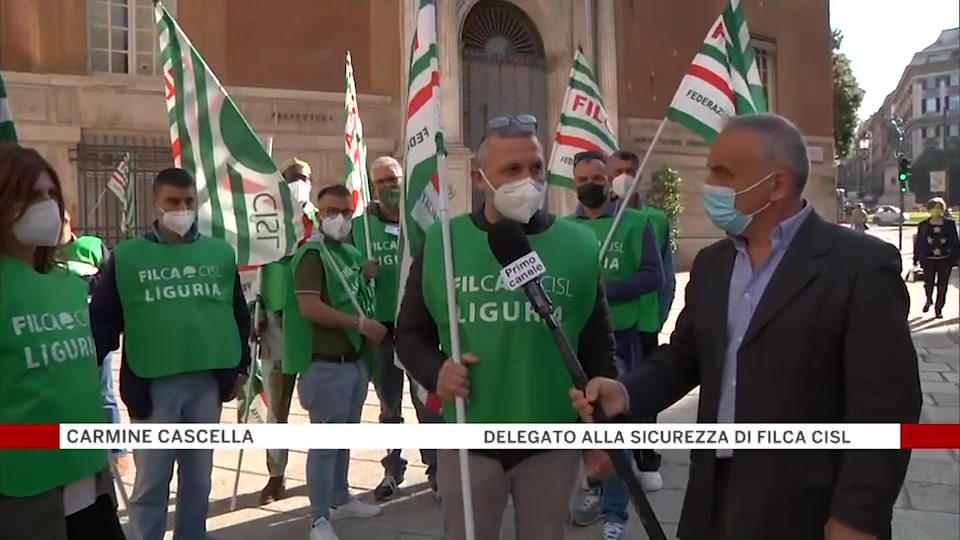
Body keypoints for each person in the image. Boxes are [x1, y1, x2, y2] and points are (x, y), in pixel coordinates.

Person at [571, 114, 922, 540]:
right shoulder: (714, 264)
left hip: (808, 509)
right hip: (711, 503)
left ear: (776, 185)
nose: (709, 183)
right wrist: (626, 391)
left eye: (723, 172)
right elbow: (685, 356)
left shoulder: (860, 266)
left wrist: (857, 518)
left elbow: (886, 410)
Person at [396, 116, 619, 540]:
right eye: (512, 171)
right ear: (482, 180)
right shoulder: (444, 243)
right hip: (470, 438)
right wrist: (436, 370)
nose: (528, 180)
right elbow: (409, 334)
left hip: (552, 441)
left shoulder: (579, 244)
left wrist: (606, 430)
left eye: (535, 168)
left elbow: (598, 346)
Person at [90, 167, 252, 540]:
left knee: (198, 480)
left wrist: (240, 368)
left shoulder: (219, 254)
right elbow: (103, 320)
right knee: (151, 483)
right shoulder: (128, 258)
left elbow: (237, 315)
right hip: (153, 387)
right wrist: (85, 370)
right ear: (155, 204)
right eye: (173, 202)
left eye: (189, 202)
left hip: (206, 386)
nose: (182, 209)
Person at [0, 143, 125, 539]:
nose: (48, 205)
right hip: (23, 493)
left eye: (52, 194)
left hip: (88, 479)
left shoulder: (70, 285)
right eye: (33, 195)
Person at [565, 150, 664, 539]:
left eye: (597, 178)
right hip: (574, 342)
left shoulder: (635, 223)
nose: (590, 186)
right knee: (583, 424)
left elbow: (653, 276)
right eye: (582, 180)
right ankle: (593, 487)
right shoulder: (564, 230)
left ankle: (617, 514)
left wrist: (605, 292)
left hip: (619, 339)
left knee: (615, 426)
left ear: (610, 180)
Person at [283, 183, 384, 540]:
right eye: (331, 212)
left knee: (344, 437)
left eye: (345, 211)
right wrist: (358, 323)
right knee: (326, 444)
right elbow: (310, 307)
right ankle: (318, 518)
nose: (339, 218)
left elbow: (354, 284)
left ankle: (340, 497)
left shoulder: (348, 252)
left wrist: (367, 274)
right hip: (324, 363)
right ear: (318, 214)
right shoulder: (313, 255)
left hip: (354, 360)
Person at [354, 156, 443, 501]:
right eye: (382, 182)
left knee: (429, 406)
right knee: (389, 408)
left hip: (420, 331)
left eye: (394, 180)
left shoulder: (419, 224)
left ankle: (437, 471)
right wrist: (362, 271)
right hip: (382, 333)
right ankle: (393, 469)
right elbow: (346, 276)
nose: (390, 187)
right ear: (372, 188)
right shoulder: (359, 229)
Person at [608, 149, 677, 489]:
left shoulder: (656, 219)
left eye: (630, 170)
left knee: (644, 395)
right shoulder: (597, 221)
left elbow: (665, 275)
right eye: (618, 170)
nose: (623, 177)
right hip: (610, 326)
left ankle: (646, 458)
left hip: (646, 324)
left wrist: (661, 315)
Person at [253, 157, 320, 504]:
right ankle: (275, 474)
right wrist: (256, 313)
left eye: (303, 177)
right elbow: (253, 270)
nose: (298, 182)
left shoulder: (321, 221)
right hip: (276, 321)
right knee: (276, 408)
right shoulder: (267, 222)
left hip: (313, 322)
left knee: (321, 405)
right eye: (291, 177)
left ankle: (323, 473)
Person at [58, 212, 131, 473]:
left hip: (94, 331)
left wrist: (89, 280)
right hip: (61, 336)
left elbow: (112, 283)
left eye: (63, 221)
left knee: (104, 393)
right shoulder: (43, 255)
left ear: (70, 222)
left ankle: (118, 450)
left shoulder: (92, 246)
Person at [914, 196, 960, 319]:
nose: (937, 210)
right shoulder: (923, 225)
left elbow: (955, 241)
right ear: (929, 210)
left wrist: (957, 257)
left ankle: (938, 308)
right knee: (928, 283)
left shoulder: (949, 224)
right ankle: (929, 299)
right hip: (928, 259)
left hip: (945, 259)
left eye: (939, 208)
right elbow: (919, 242)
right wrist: (916, 257)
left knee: (942, 285)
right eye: (934, 208)